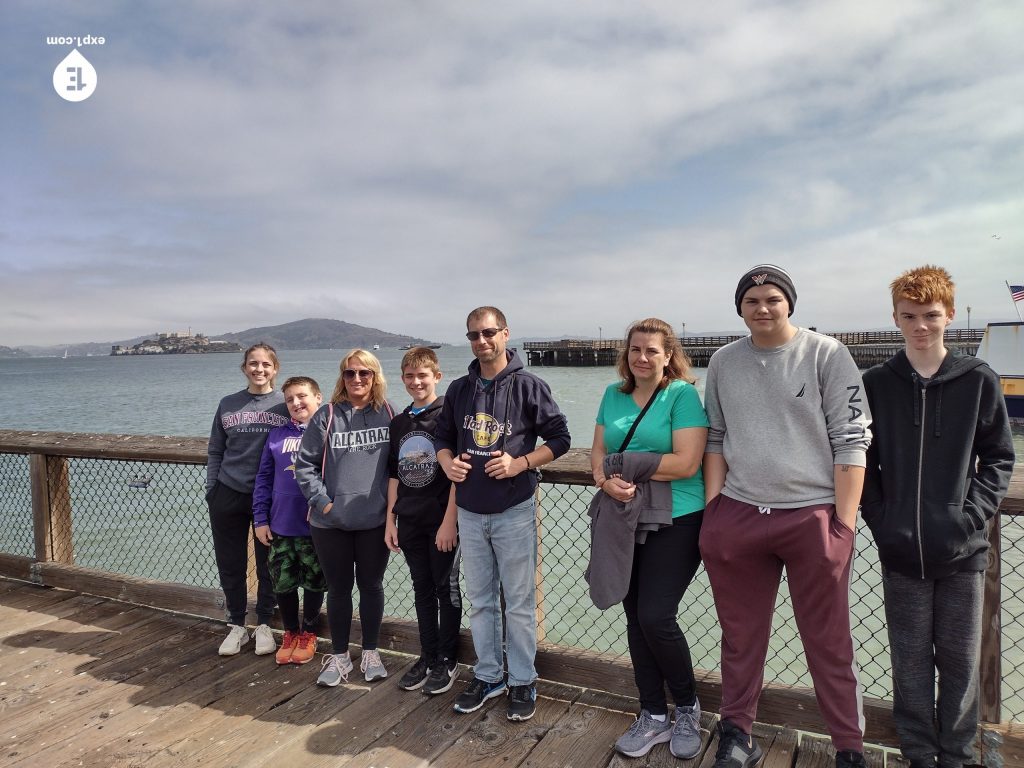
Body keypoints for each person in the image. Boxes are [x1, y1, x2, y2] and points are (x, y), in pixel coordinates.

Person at [700, 265, 872, 768]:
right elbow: (715, 438)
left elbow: (852, 437)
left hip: (812, 515)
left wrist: (843, 524)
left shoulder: (827, 353)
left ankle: (849, 748)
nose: (763, 308)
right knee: (740, 636)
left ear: (789, 303)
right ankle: (736, 733)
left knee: (830, 642)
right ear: (740, 308)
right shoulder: (723, 361)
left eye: (773, 298)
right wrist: (714, 514)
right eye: (752, 300)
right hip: (739, 513)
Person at [861, 266, 1015, 768]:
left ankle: (957, 754)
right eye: (910, 316)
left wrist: (969, 519)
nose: (921, 325)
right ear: (895, 319)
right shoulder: (876, 384)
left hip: (963, 553)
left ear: (949, 315)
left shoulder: (979, 381)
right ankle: (919, 753)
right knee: (908, 664)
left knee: (959, 662)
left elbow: (998, 457)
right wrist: (882, 520)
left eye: (931, 315)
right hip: (900, 550)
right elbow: (863, 461)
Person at [434, 306, 571, 722]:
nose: (482, 341)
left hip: (513, 509)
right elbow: (442, 439)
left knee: (519, 602)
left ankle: (524, 680)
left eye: (489, 333)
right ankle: (490, 675)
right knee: (480, 602)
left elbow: (561, 438)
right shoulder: (459, 389)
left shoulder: (530, 385)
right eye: (474, 335)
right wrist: (446, 464)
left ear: (505, 334)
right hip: (471, 513)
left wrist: (521, 463)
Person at [590, 318, 709, 760]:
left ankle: (688, 708)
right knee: (633, 615)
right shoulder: (611, 395)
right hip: (623, 515)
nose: (642, 357)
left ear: (668, 355)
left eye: (652, 351)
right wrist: (606, 481)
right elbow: (599, 455)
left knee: (657, 615)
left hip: (679, 515)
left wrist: (629, 468)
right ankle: (653, 713)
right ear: (627, 354)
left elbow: (687, 463)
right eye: (635, 349)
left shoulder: (681, 395)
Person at [294, 349, 395, 687]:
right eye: (350, 373)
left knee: (371, 587)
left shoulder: (389, 414)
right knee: (338, 590)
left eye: (364, 373)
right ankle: (339, 657)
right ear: (342, 377)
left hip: (374, 521)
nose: (356, 379)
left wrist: (391, 509)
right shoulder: (327, 415)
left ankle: (370, 652)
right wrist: (324, 504)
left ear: (375, 376)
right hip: (330, 523)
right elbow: (304, 465)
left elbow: (399, 466)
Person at [385, 347, 462, 695]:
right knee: (421, 589)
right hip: (410, 519)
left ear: (437, 377)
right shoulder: (399, 423)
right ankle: (428, 655)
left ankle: (449, 658)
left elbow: (459, 473)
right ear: (402, 379)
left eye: (423, 376)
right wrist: (391, 521)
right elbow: (393, 476)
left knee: (446, 588)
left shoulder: (447, 414)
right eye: (410, 376)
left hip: (441, 519)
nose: (417, 382)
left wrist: (450, 521)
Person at [207, 342, 290, 657]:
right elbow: (216, 449)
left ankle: (266, 623)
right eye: (253, 364)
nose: (259, 369)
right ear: (244, 368)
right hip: (228, 491)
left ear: (275, 368)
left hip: (269, 497)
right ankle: (237, 625)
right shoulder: (228, 404)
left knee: (270, 562)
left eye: (266, 364)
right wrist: (212, 489)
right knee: (230, 563)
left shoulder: (284, 403)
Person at [252, 376, 328, 666]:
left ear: (317, 398)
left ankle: (309, 633)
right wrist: (260, 518)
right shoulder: (276, 436)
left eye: (302, 396)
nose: (296, 403)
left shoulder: (327, 433)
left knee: (313, 581)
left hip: (315, 527)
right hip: (281, 525)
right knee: (282, 583)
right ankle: (290, 633)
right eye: (290, 399)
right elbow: (263, 479)